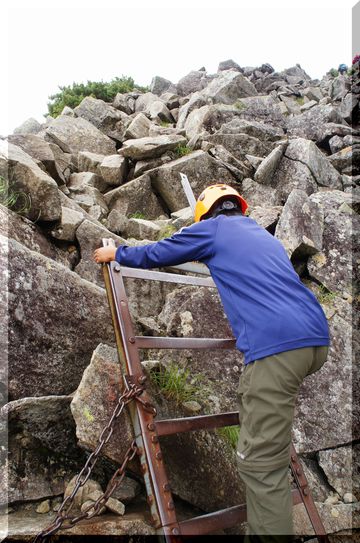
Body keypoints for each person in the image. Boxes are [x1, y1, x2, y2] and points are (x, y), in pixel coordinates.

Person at [93, 184, 330, 540]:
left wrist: (118, 253)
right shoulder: (260, 235)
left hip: (278, 347)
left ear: (206, 213)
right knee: (264, 437)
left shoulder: (213, 229)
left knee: (260, 463)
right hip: (314, 340)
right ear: (239, 206)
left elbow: (163, 250)